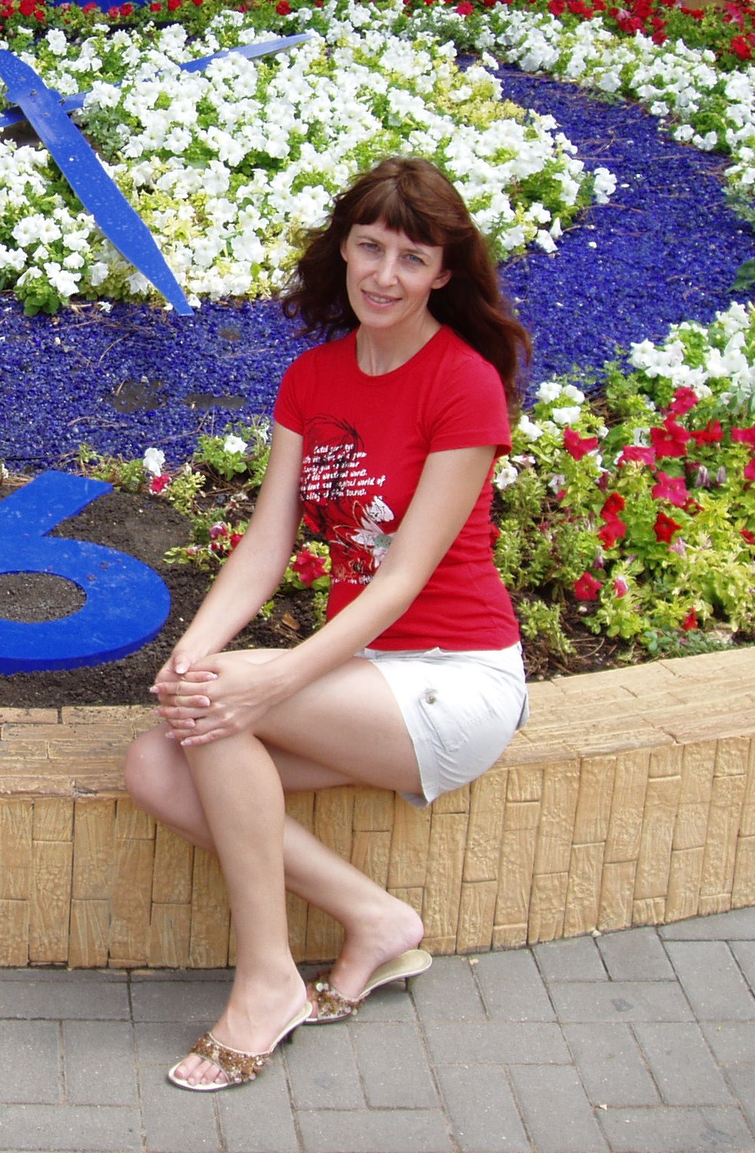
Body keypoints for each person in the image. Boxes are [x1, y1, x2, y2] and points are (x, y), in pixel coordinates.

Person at [125, 157, 531, 1093]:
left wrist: (274, 675)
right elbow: (268, 544)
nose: (384, 275)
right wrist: (196, 647)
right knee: (155, 761)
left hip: (454, 676)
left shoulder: (462, 384)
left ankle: (266, 981)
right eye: (370, 247)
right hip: (365, 678)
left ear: (444, 273)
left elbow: (402, 580)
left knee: (221, 703)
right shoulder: (313, 377)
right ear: (342, 249)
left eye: (412, 257)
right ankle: (376, 919)